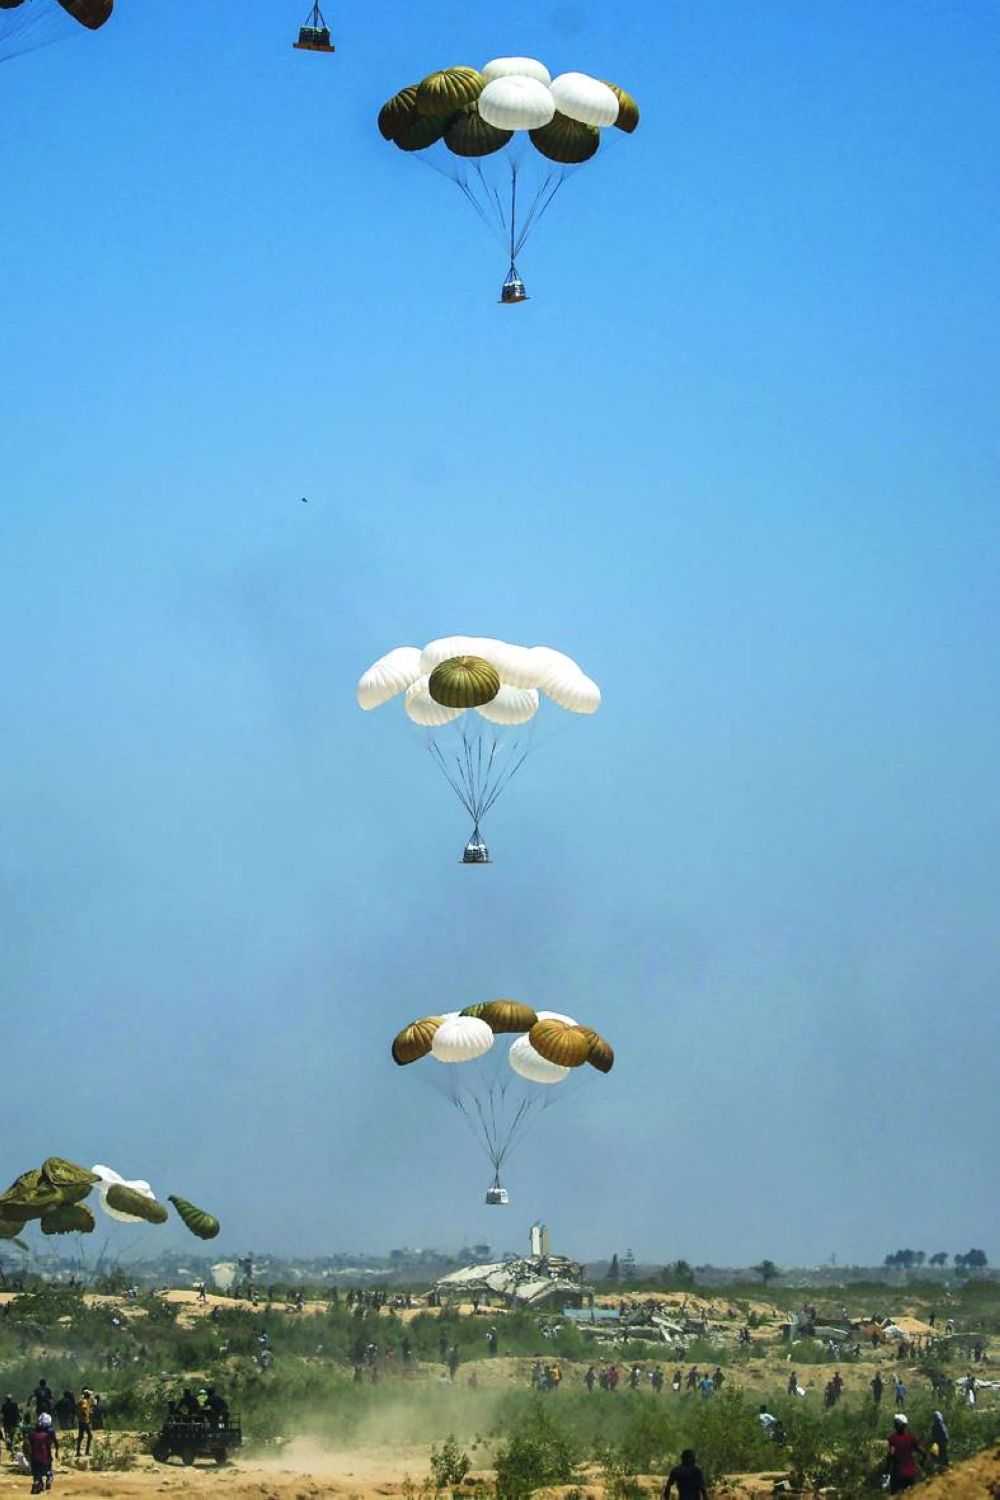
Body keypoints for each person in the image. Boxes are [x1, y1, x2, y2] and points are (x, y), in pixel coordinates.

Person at [885, 1414, 923, 1494]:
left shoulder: (892, 1439)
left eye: (895, 1423)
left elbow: (890, 1456)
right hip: (911, 1474)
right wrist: (921, 1462)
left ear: (896, 1425)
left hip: (898, 1474)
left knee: (894, 1495)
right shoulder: (911, 1438)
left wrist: (886, 1472)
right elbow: (923, 1453)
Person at [26, 1413, 58, 1494]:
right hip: (45, 1454)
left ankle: (38, 1482)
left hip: (34, 1456)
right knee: (47, 1467)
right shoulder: (49, 1432)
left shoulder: (33, 1434)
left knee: (37, 1471)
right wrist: (57, 1451)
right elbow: (54, 1442)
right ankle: (48, 1478)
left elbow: (28, 1444)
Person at [75, 1389, 93, 1457]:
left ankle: (78, 1451)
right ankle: (87, 1451)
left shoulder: (81, 1401)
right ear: (87, 1395)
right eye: (89, 1395)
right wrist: (85, 1414)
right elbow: (83, 1408)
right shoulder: (85, 1401)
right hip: (84, 1421)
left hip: (80, 1420)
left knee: (80, 1437)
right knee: (90, 1436)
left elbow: (77, 1408)